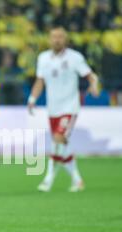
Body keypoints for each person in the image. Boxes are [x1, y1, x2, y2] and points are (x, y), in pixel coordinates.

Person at [27, 26, 99, 192]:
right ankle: (77, 180)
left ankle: (48, 179)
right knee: (61, 145)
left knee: (58, 140)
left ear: (65, 39)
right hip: (53, 109)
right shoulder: (43, 58)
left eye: (60, 37)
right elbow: (40, 81)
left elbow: (90, 75)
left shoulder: (75, 58)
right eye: (54, 37)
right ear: (49, 39)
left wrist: (94, 85)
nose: (57, 40)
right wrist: (32, 99)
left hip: (69, 107)